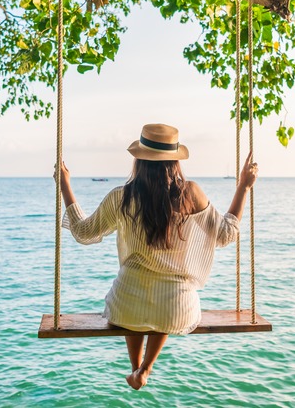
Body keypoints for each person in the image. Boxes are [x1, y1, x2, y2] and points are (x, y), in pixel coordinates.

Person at [56, 123, 258, 390]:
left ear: (139, 160)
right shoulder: (191, 194)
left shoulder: (122, 197)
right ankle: (146, 368)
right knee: (167, 297)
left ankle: (135, 368)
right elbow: (225, 234)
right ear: (175, 161)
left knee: (135, 293)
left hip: (125, 306)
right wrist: (244, 186)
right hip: (177, 310)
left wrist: (64, 185)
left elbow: (83, 232)